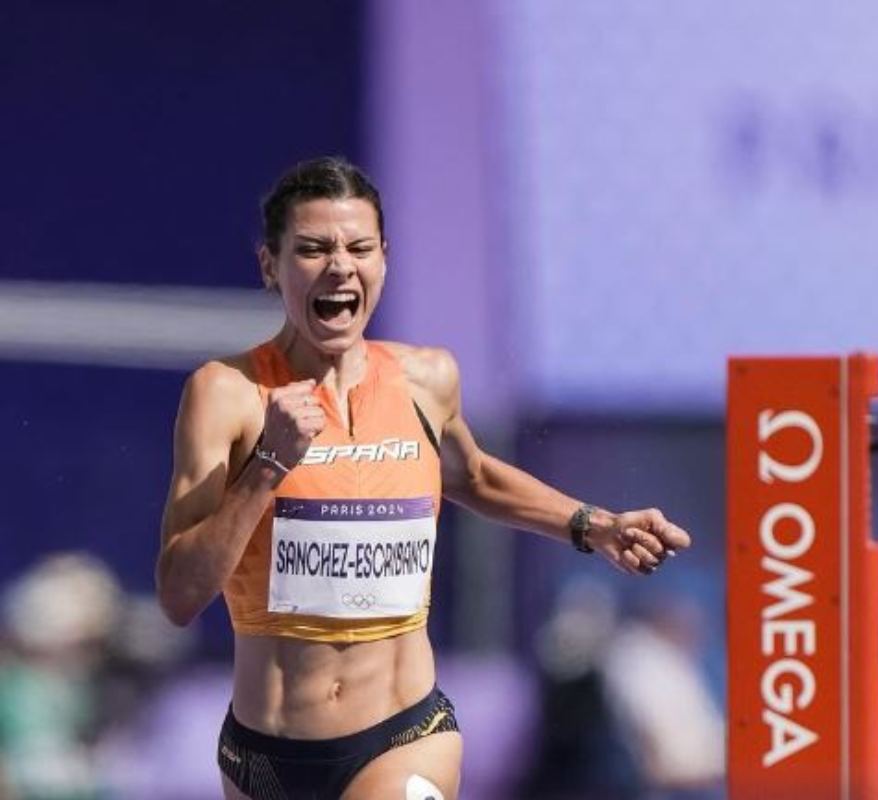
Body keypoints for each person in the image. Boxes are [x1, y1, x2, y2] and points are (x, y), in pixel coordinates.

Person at [154, 156, 693, 800]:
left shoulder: (426, 380)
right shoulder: (228, 393)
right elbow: (180, 595)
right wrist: (268, 466)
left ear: (384, 259)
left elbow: (477, 478)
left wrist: (593, 524)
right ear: (271, 265)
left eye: (359, 247)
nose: (339, 267)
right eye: (313, 249)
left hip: (403, 733)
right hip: (265, 755)